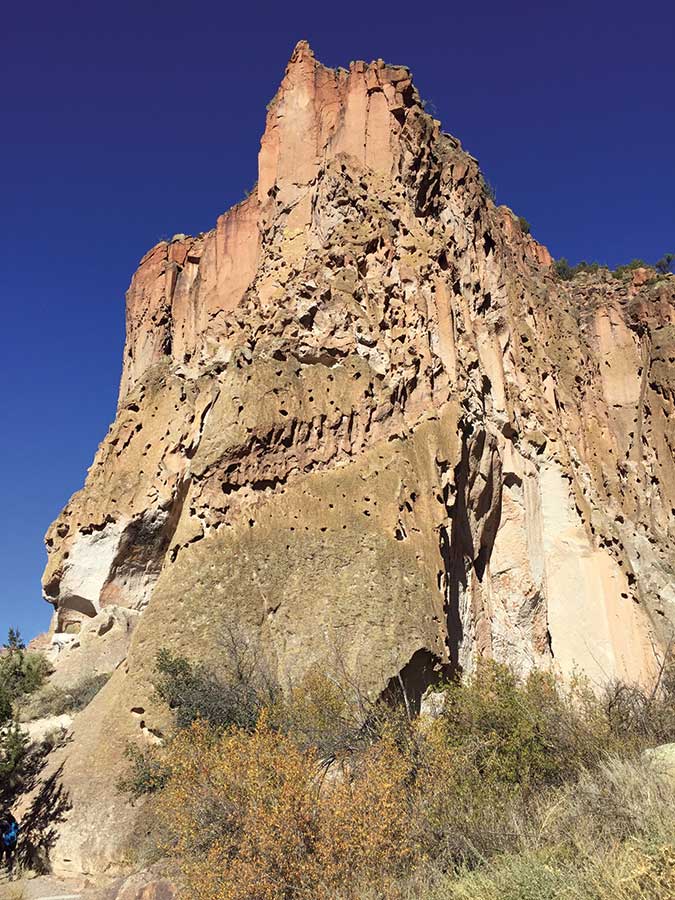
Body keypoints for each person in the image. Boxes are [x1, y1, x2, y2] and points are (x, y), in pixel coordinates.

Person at [0, 811, 19, 879]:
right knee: (8, 856)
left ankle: (9, 871)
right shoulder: (14, 822)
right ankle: (9, 871)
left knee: (4, 854)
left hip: (6, 841)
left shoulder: (5, 823)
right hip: (11, 842)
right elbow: (17, 831)